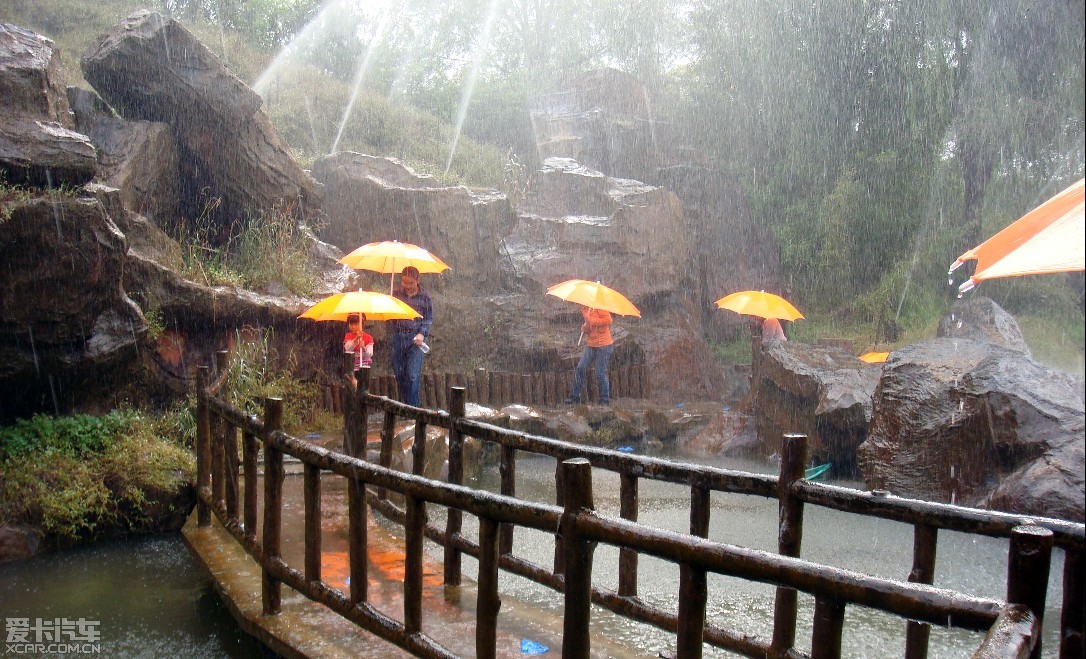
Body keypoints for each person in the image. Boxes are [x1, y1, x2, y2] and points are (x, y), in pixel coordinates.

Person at [389, 266, 433, 406]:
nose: (407, 286)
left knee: (412, 374)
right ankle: (410, 406)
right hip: (398, 336)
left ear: (418, 280)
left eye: (410, 283)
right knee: (399, 373)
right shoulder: (395, 293)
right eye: (404, 282)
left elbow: (428, 318)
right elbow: (389, 316)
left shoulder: (425, 296)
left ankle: (413, 409)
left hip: (416, 339)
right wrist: (389, 304)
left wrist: (421, 334)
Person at [565, 306, 615, 405]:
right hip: (591, 345)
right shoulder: (584, 309)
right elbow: (590, 327)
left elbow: (608, 320)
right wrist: (585, 328)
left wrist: (591, 320)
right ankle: (574, 396)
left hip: (604, 346)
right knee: (580, 368)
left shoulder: (599, 307)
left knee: (599, 373)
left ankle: (605, 399)